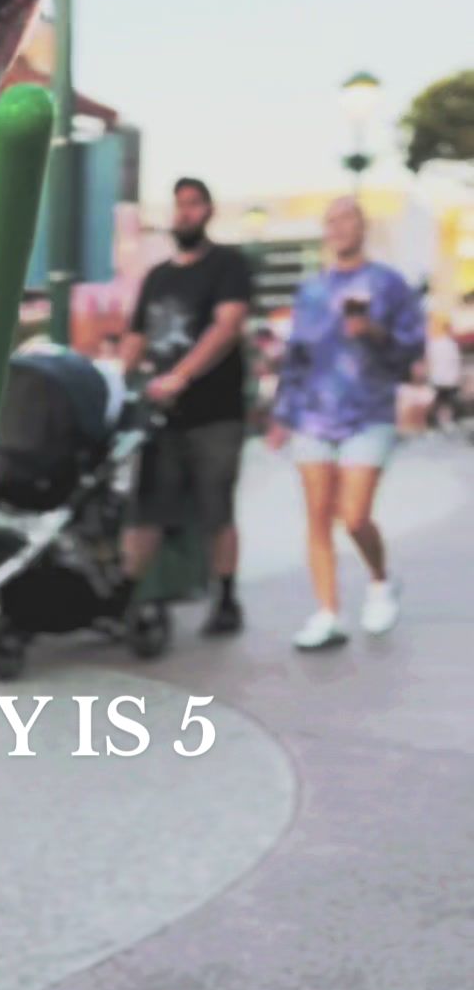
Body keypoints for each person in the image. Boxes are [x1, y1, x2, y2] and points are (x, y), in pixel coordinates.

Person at [269, 198, 424, 650]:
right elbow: (296, 357)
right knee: (318, 516)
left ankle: (380, 579)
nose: (337, 228)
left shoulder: (388, 283)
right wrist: (282, 414)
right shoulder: (311, 290)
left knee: (354, 515)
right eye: (330, 221)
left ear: (363, 227)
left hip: (368, 412)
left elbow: (412, 349)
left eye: (346, 219)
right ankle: (327, 613)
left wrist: (373, 331)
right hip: (312, 413)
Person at [118, 177, 252, 637]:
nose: (184, 213)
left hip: (215, 413)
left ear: (209, 210)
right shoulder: (157, 277)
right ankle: (125, 599)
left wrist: (182, 375)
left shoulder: (228, 265)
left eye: (193, 204)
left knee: (216, 509)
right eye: (178, 205)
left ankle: (226, 598)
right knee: (148, 508)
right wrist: (116, 380)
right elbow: (136, 337)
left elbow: (227, 326)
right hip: (161, 416)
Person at [425, 317, 462, 430]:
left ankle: (440, 422)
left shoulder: (433, 343)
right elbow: (455, 362)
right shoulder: (450, 344)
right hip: (448, 380)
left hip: (438, 379)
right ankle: (445, 422)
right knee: (446, 402)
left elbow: (429, 361)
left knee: (441, 401)